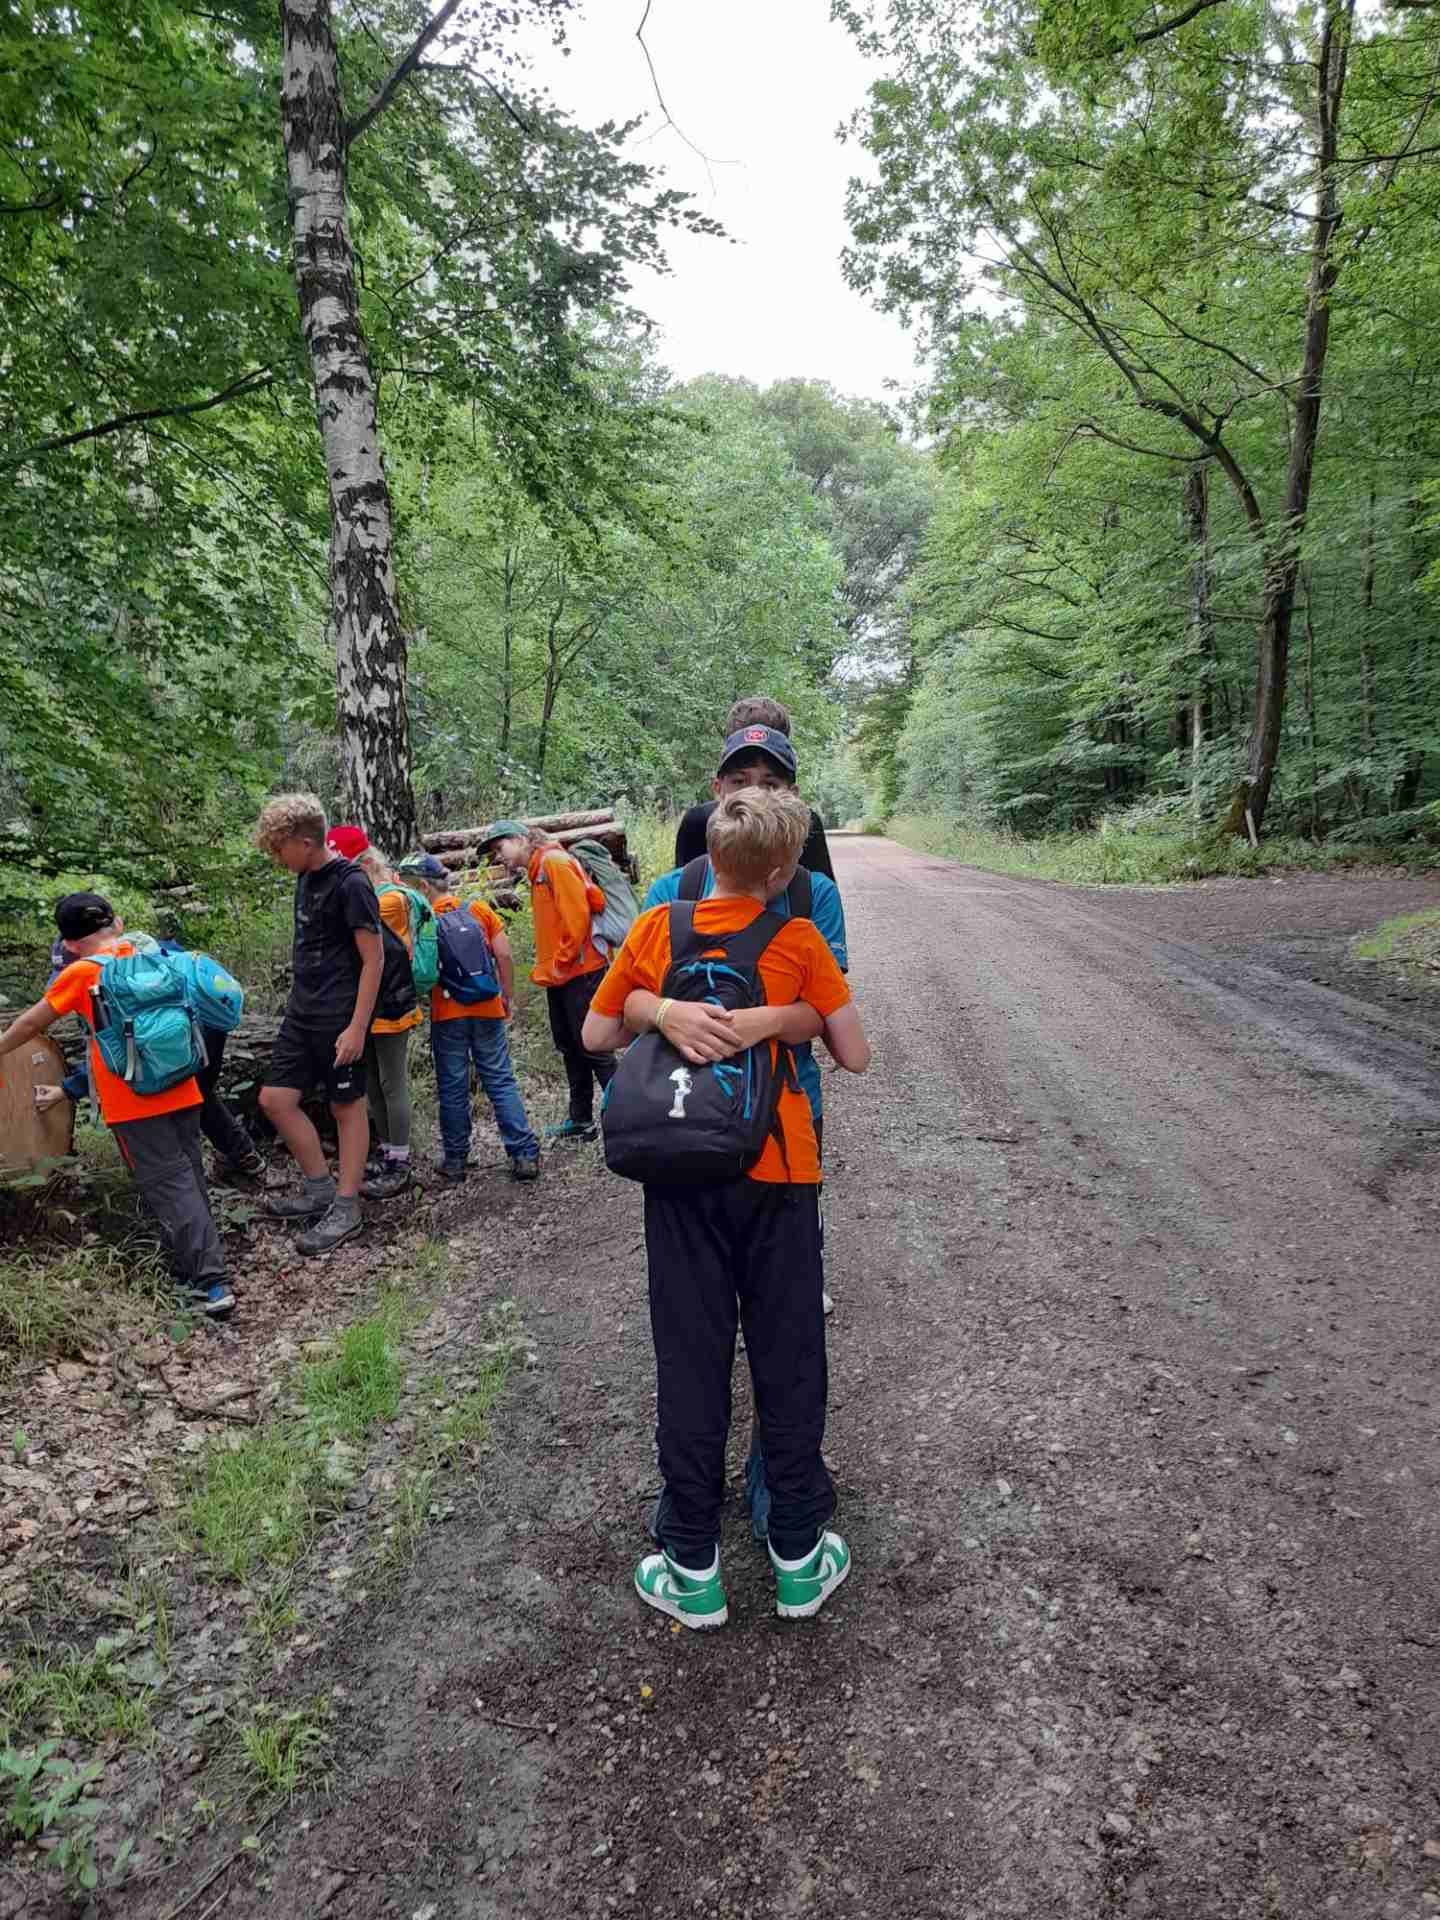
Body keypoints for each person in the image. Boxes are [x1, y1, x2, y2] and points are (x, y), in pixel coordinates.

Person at [582, 787, 871, 1628]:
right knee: (789, 1355)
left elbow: (597, 1036)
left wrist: (659, 1008)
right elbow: (854, 1054)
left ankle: (692, 1565)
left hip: (679, 1175)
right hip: (780, 1173)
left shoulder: (655, 928)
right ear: (783, 872)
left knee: (690, 1357)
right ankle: (798, 1559)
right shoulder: (799, 937)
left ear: (706, 857)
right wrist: (781, 1020)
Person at [0, 893, 236, 1317]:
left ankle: (210, 1283)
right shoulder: (150, 953)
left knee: (170, 1184)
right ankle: (195, 1265)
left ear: (69, 943)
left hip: (134, 1100)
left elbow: (33, 1022)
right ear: (118, 923)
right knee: (187, 1174)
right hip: (183, 1084)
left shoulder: (82, 972)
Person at [253, 793, 382, 1257]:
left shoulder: (352, 883)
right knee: (275, 1099)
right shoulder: (305, 877)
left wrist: (357, 1028)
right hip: (302, 1013)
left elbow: (374, 960)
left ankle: (347, 1206)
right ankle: (319, 1188)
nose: (277, 857)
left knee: (347, 1107)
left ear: (305, 842)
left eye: (279, 848)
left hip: (340, 1016)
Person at [39, 933, 262, 1182]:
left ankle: (186, 1179)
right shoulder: (138, 950)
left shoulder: (116, 985)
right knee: (199, 1093)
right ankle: (241, 1157)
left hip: (194, 1028)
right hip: (209, 1018)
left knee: (182, 1091)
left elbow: (118, 1056)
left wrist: (67, 1089)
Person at [396, 852, 541, 1184]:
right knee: (500, 1079)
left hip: (448, 1014)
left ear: (423, 887)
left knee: (453, 1086)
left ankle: (456, 1160)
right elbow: (503, 953)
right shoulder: (478, 910)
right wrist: (506, 996)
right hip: (488, 1006)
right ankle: (523, 1154)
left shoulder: (423, 919)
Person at [478, 818, 615, 1144]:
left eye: (500, 848)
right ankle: (581, 1120)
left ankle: (632, 1114)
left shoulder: (554, 862)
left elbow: (577, 918)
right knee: (571, 1046)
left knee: (593, 1046)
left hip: (581, 972)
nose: (498, 857)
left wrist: (559, 964)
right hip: (563, 976)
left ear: (520, 839)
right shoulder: (540, 868)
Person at [673, 696, 837, 886]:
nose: (754, 795)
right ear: (719, 787)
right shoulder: (699, 823)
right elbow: (682, 889)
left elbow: (818, 894)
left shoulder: (805, 826)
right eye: (739, 781)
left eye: (770, 784)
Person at [352, 844, 420, 1199]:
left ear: (366, 865)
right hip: (368, 1007)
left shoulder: (391, 899)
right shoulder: (374, 898)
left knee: (392, 1083)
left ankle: (400, 1161)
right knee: (374, 1085)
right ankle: (386, 1150)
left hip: (392, 1006)